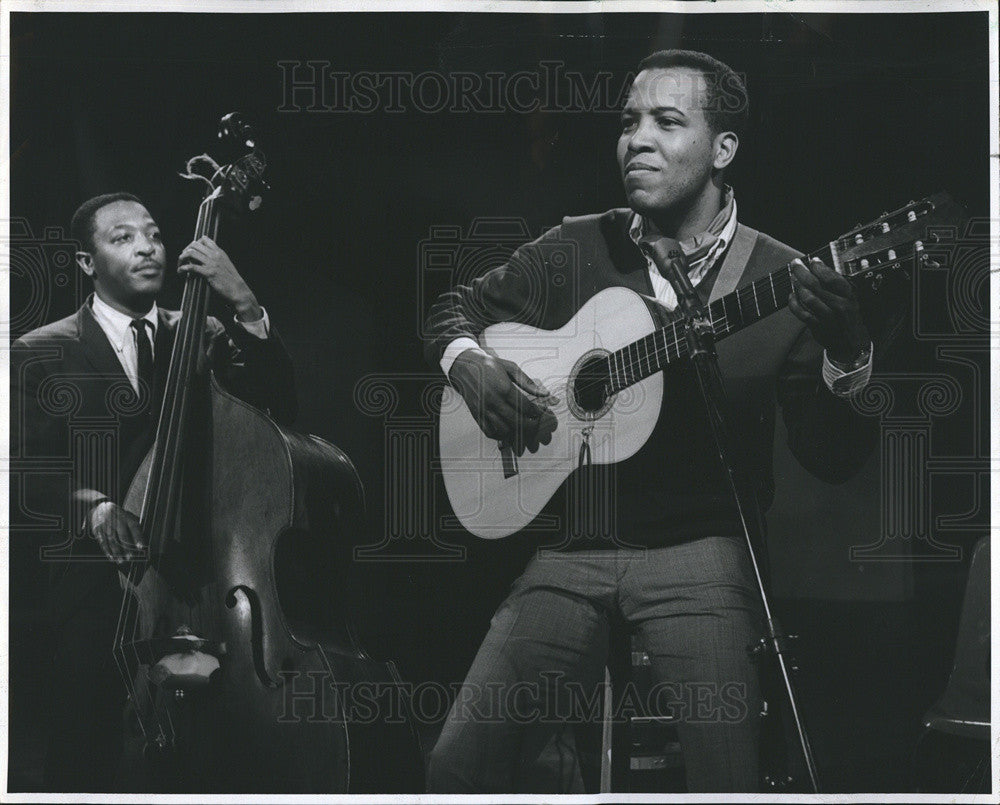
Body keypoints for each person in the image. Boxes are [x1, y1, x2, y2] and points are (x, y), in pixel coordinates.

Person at [423, 50, 878, 792]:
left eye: (668, 122)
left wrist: (849, 354)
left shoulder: (780, 278)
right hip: (574, 547)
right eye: (629, 121)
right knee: (457, 767)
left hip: (701, 554)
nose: (638, 138)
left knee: (725, 777)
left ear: (723, 148)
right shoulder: (577, 244)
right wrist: (466, 364)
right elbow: (455, 308)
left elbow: (832, 455)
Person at [9, 192, 297, 791]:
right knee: (83, 759)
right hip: (96, 594)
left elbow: (279, 408)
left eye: (155, 235)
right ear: (87, 262)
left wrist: (243, 300)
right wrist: (94, 507)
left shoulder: (203, 332)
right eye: (122, 238)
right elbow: (24, 474)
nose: (146, 247)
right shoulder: (39, 351)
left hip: (197, 585)